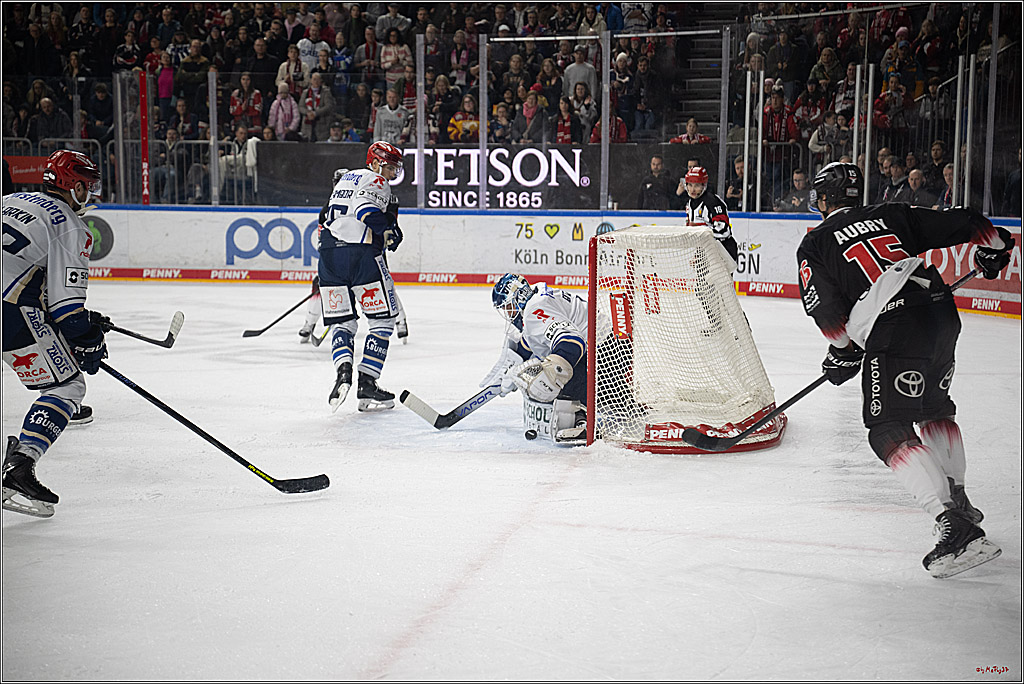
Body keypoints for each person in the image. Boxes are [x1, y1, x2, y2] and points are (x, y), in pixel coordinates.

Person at [796, 161, 1013, 578]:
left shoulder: (816, 243)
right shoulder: (890, 212)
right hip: (939, 312)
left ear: (824, 199)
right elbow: (967, 221)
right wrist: (998, 246)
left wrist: (841, 354)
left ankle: (953, 524)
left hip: (895, 325)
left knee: (887, 427)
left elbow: (828, 317)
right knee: (934, 409)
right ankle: (960, 499)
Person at [2, 150, 108, 518]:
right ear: (72, 185)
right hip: (7, 309)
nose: (90, 193)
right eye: (87, 186)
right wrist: (89, 339)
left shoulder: (8, 199)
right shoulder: (71, 224)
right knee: (68, 386)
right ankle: (19, 465)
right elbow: (67, 311)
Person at [319, 142, 405, 411]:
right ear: (377, 163)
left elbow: (324, 216)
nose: (392, 173)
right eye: (390, 166)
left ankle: (343, 373)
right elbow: (365, 211)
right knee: (383, 320)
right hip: (361, 256)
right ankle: (367, 382)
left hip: (329, 257)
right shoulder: (377, 181)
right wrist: (389, 228)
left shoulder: (346, 179)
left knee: (342, 322)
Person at [483, 274, 589, 442]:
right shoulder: (538, 297)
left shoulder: (534, 310)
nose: (509, 314)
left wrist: (553, 374)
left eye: (509, 307)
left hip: (605, 361)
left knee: (545, 380)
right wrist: (513, 368)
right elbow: (532, 342)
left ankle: (582, 417)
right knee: (543, 369)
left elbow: (572, 342)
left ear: (519, 297)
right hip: (612, 352)